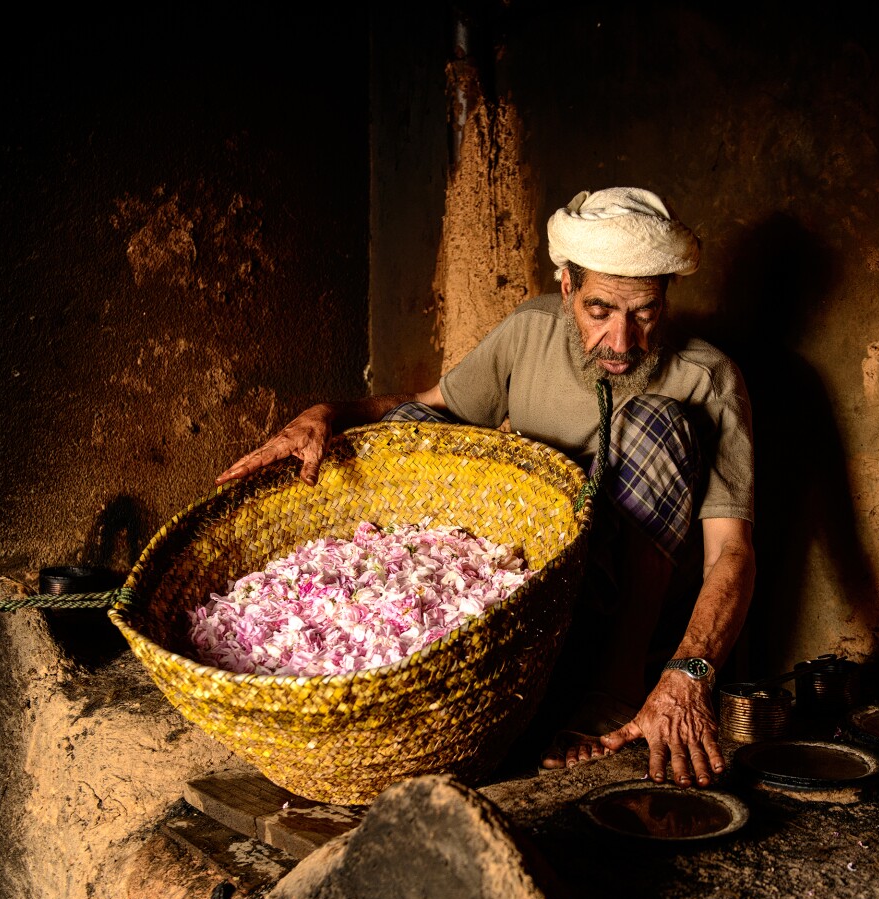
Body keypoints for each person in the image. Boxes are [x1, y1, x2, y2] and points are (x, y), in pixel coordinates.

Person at [216, 187, 755, 788]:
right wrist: (329, 412)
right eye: (600, 310)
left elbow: (730, 553)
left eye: (645, 312)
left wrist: (690, 674)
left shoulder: (708, 378)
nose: (622, 341)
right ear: (568, 287)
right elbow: (426, 406)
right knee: (411, 430)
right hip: (529, 598)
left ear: (666, 296)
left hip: (618, 601)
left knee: (655, 424)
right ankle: (489, 686)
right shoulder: (529, 331)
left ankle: (613, 686)